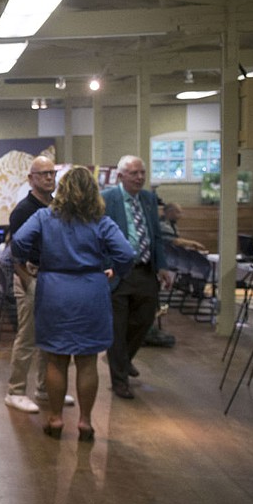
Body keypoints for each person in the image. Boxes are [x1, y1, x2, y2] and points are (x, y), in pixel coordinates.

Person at [12, 167, 134, 439]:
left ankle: (55, 419)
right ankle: (85, 422)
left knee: (56, 360)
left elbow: (18, 241)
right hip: (90, 290)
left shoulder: (44, 216)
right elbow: (126, 253)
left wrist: (24, 263)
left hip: (54, 289)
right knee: (87, 361)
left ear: (62, 191)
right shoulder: (101, 221)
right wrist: (117, 271)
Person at [102, 156, 173, 399]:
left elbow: (157, 237)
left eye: (142, 172)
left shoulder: (149, 199)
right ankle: (119, 381)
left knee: (143, 321)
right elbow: (98, 236)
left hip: (145, 270)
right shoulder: (107, 199)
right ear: (120, 176)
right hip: (118, 272)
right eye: (134, 173)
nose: (140, 177)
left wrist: (162, 266)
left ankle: (122, 358)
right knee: (117, 328)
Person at [4, 156, 72, 413]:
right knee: (28, 335)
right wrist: (27, 281)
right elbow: (16, 252)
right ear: (30, 178)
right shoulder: (23, 210)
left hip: (54, 276)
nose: (48, 178)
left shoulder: (57, 206)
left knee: (50, 335)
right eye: (42, 174)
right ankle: (16, 390)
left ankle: (45, 387)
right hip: (30, 275)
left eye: (52, 173)